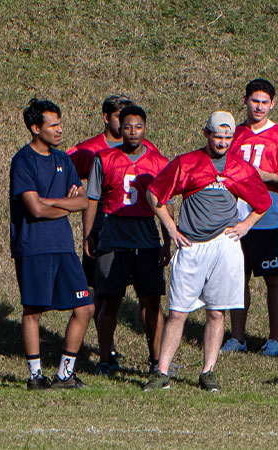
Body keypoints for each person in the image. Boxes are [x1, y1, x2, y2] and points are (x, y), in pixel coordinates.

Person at [140, 112, 271, 391]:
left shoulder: (239, 167)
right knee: (177, 312)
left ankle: (208, 371)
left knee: (216, 312)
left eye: (227, 137)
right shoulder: (186, 163)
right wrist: (171, 228)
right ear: (206, 133)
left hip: (225, 246)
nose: (222, 142)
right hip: (192, 246)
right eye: (217, 135)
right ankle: (162, 371)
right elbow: (154, 194)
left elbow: (263, 201)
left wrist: (245, 226)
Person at [9, 98, 97, 390]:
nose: (59, 130)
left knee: (84, 306)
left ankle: (64, 373)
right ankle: (35, 375)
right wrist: (65, 205)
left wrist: (56, 202)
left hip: (63, 246)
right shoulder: (23, 161)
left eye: (60, 124)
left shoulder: (63, 160)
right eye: (53, 125)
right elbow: (35, 209)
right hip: (34, 246)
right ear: (35, 128)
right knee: (33, 311)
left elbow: (83, 201)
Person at [84, 104, 170, 375]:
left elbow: (164, 205)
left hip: (146, 242)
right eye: (128, 127)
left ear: (146, 129)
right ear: (119, 128)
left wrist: (167, 242)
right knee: (109, 301)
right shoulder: (105, 158)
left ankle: (157, 360)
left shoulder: (159, 163)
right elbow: (92, 200)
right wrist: (89, 234)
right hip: (113, 241)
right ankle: (105, 357)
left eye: (138, 127)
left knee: (152, 302)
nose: (133, 132)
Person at [227, 78, 278, 357]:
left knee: (273, 278)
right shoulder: (233, 134)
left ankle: (274, 339)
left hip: (267, 218)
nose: (258, 107)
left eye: (264, 102)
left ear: (272, 104)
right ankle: (237, 337)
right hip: (234, 217)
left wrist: (263, 175)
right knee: (238, 278)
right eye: (254, 101)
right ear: (245, 101)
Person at [69, 94, 135, 364]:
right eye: (120, 117)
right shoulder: (89, 149)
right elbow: (63, 170)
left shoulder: (137, 148)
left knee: (130, 293)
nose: (126, 123)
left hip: (132, 228)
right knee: (101, 290)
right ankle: (106, 347)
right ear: (107, 118)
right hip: (101, 228)